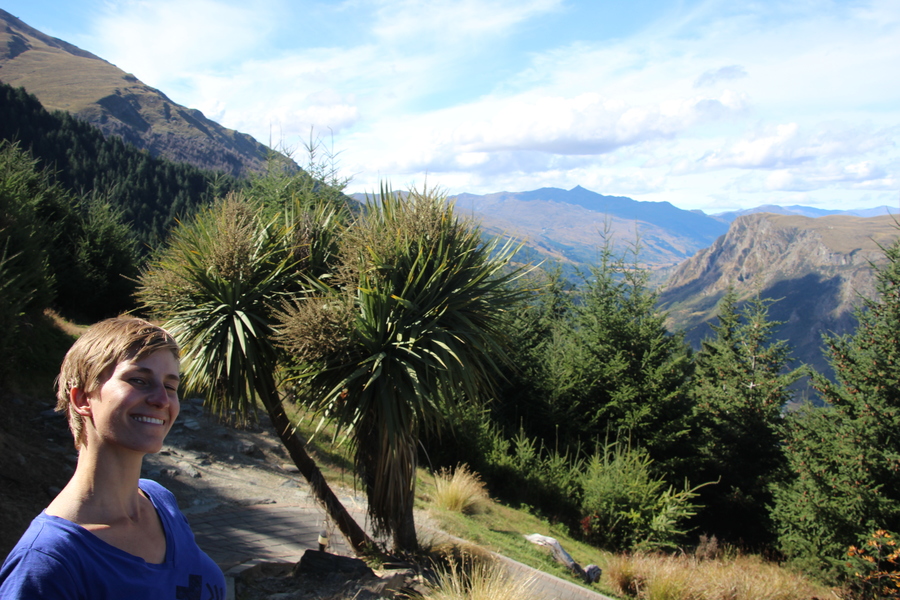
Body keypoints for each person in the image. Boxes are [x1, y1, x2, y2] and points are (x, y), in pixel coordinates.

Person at [0, 317, 226, 599]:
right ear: (82, 399)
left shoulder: (161, 503)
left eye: (170, 386)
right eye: (138, 380)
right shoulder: (47, 562)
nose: (161, 400)